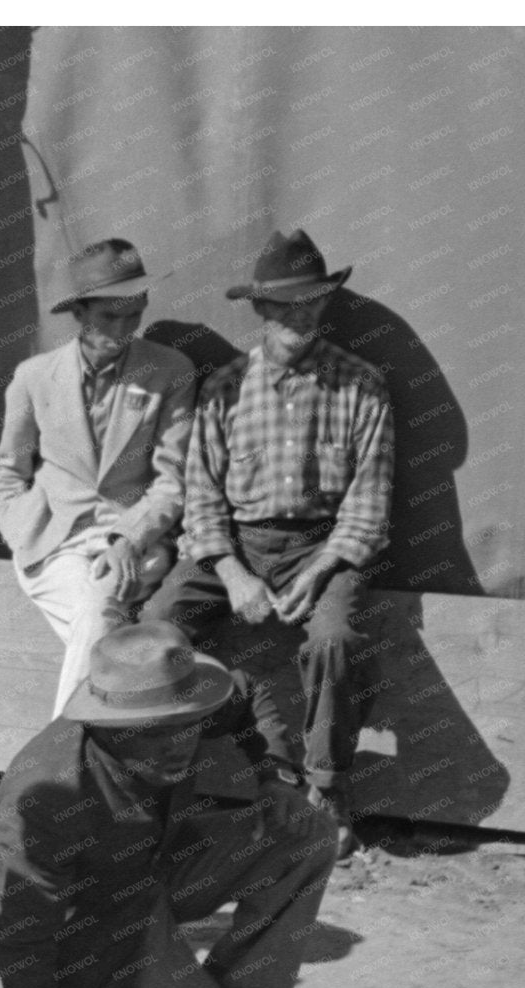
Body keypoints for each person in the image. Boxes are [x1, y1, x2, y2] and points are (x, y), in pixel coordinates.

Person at [0, 621, 339, 988]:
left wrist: (274, 774)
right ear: (105, 725)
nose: (176, 746)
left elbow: (246, 691)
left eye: (184, 725)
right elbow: (25, 935)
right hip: (97, 924)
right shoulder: (47, 794)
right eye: (150, 733)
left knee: (306, 832)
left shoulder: (188, 703)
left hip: (158, 870)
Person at [147, 229, 394, 859]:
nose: (299, 317)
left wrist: (319, 573)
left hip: (325, 545)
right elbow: (202, 501)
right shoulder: (225, 388)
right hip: (238, 546)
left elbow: (367, 506)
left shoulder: (362, 386)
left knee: (333, 641)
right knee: (155, 629)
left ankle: (326, 790)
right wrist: (233, 574)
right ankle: (152, 775)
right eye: (283, 305)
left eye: (311, 302)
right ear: (260, 310)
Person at [0, 238, 196, 715]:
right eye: (109, 317)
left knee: (100, 607)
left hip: (135, 543)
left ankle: (64, 751)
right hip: (52, 540)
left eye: (133, 315)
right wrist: (20, 528)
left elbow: (173, 481)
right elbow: (8, 471)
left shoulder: (171, 371)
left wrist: (131, 537)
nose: (123, 329)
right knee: (104, 619)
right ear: (80, 314)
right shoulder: (34, 377)